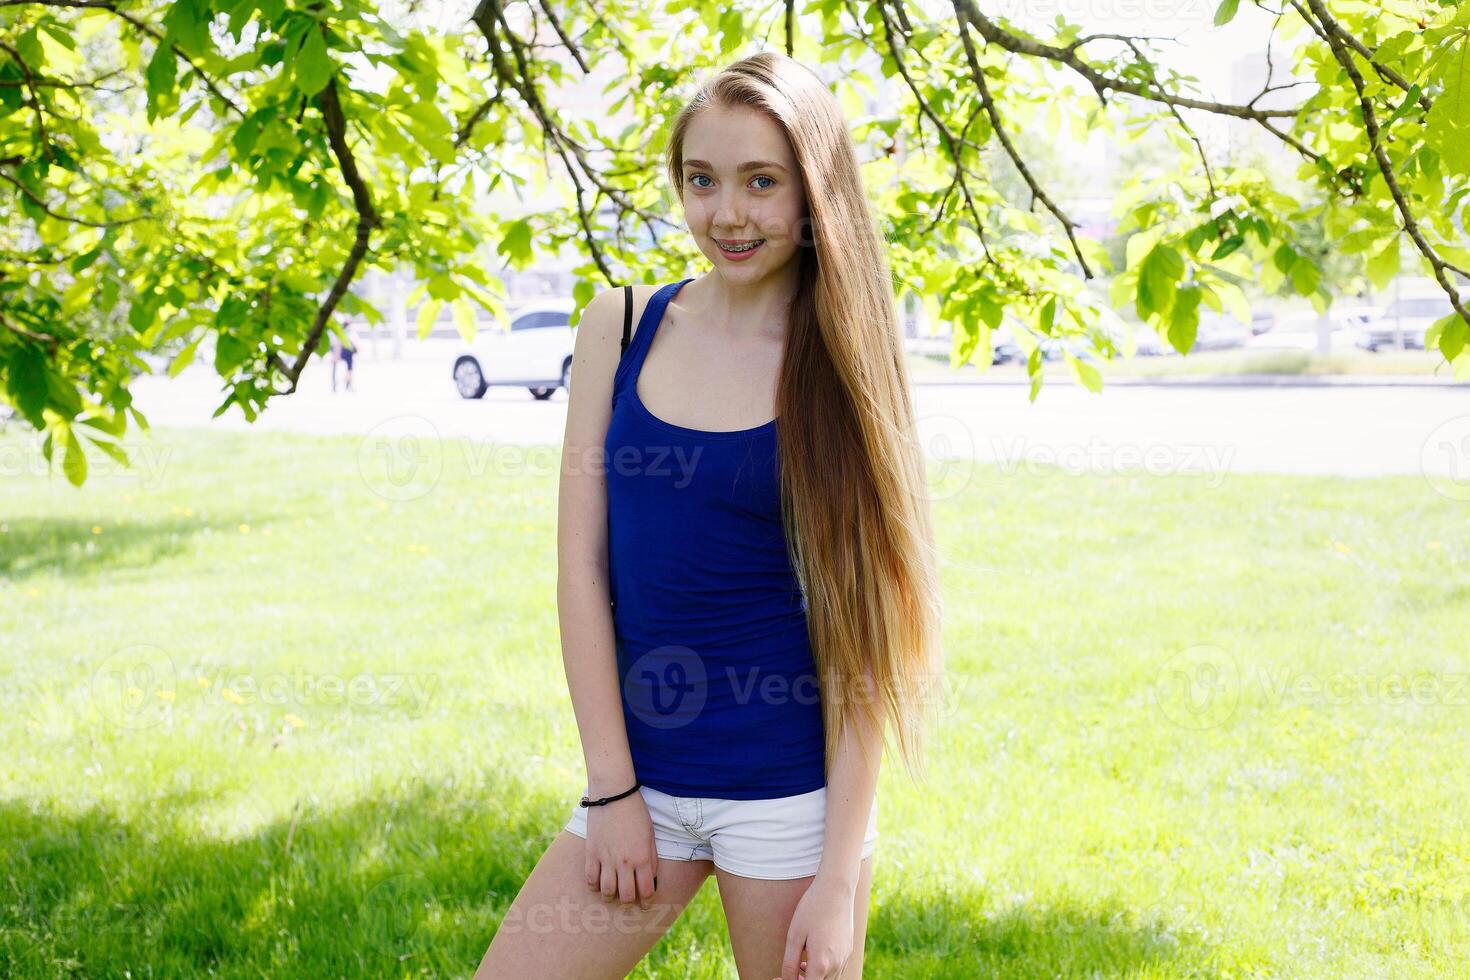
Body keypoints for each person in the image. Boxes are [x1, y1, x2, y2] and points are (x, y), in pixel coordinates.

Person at [476, 51, 943, 980]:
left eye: (761, 182)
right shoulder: (618, 325)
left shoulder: (838, 365)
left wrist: (838, 877)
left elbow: (866, 631)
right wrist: (612, 791)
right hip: (640, 784)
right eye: (702, 180)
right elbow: (582, 572)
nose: (727, 213)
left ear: (814, 195)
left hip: (789, 799)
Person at [330, 319, 358, 392]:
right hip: (346, 352)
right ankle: (344, 384)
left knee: (346, 370)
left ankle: (344, 384)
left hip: (346, 352)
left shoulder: (343, 332)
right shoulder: (346, 332)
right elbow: (338, 343)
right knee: (348, 369)